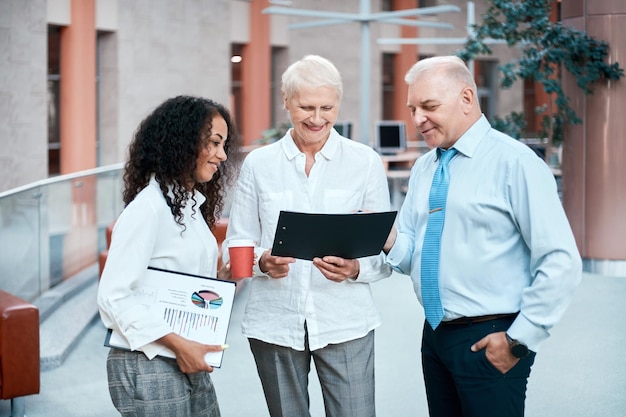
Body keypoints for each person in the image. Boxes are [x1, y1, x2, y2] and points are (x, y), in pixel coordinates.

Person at [382, 55, 582, 417]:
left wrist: (519, 341)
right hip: (436, 336)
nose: (417, 120)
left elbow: (560, 260)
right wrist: (389, 239)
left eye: (429, 106)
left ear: (466, 98)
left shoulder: (515, 163)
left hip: (493, 336)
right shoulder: (425, 167)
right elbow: (414, 255)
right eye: (412, 108)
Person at [223, 54, 392, 417]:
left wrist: (355, 269)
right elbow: (235, 244)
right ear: (286, 101)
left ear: (338, 103)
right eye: (306, 107)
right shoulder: (259, 165)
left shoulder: (365, 163)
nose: (317, 119)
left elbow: (382, 253)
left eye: (327, 107)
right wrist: (261, 262)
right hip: (275, 323)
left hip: (346, 321)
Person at [97, 95, 240, 417]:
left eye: (224, 145)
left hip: (185, 352)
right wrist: (179, 345)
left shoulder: (188, 206)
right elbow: (113, 296)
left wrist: (220, 280)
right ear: (184, 143)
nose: (221, 155)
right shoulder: (148, 209)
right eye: (214, 143)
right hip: (149, 359)